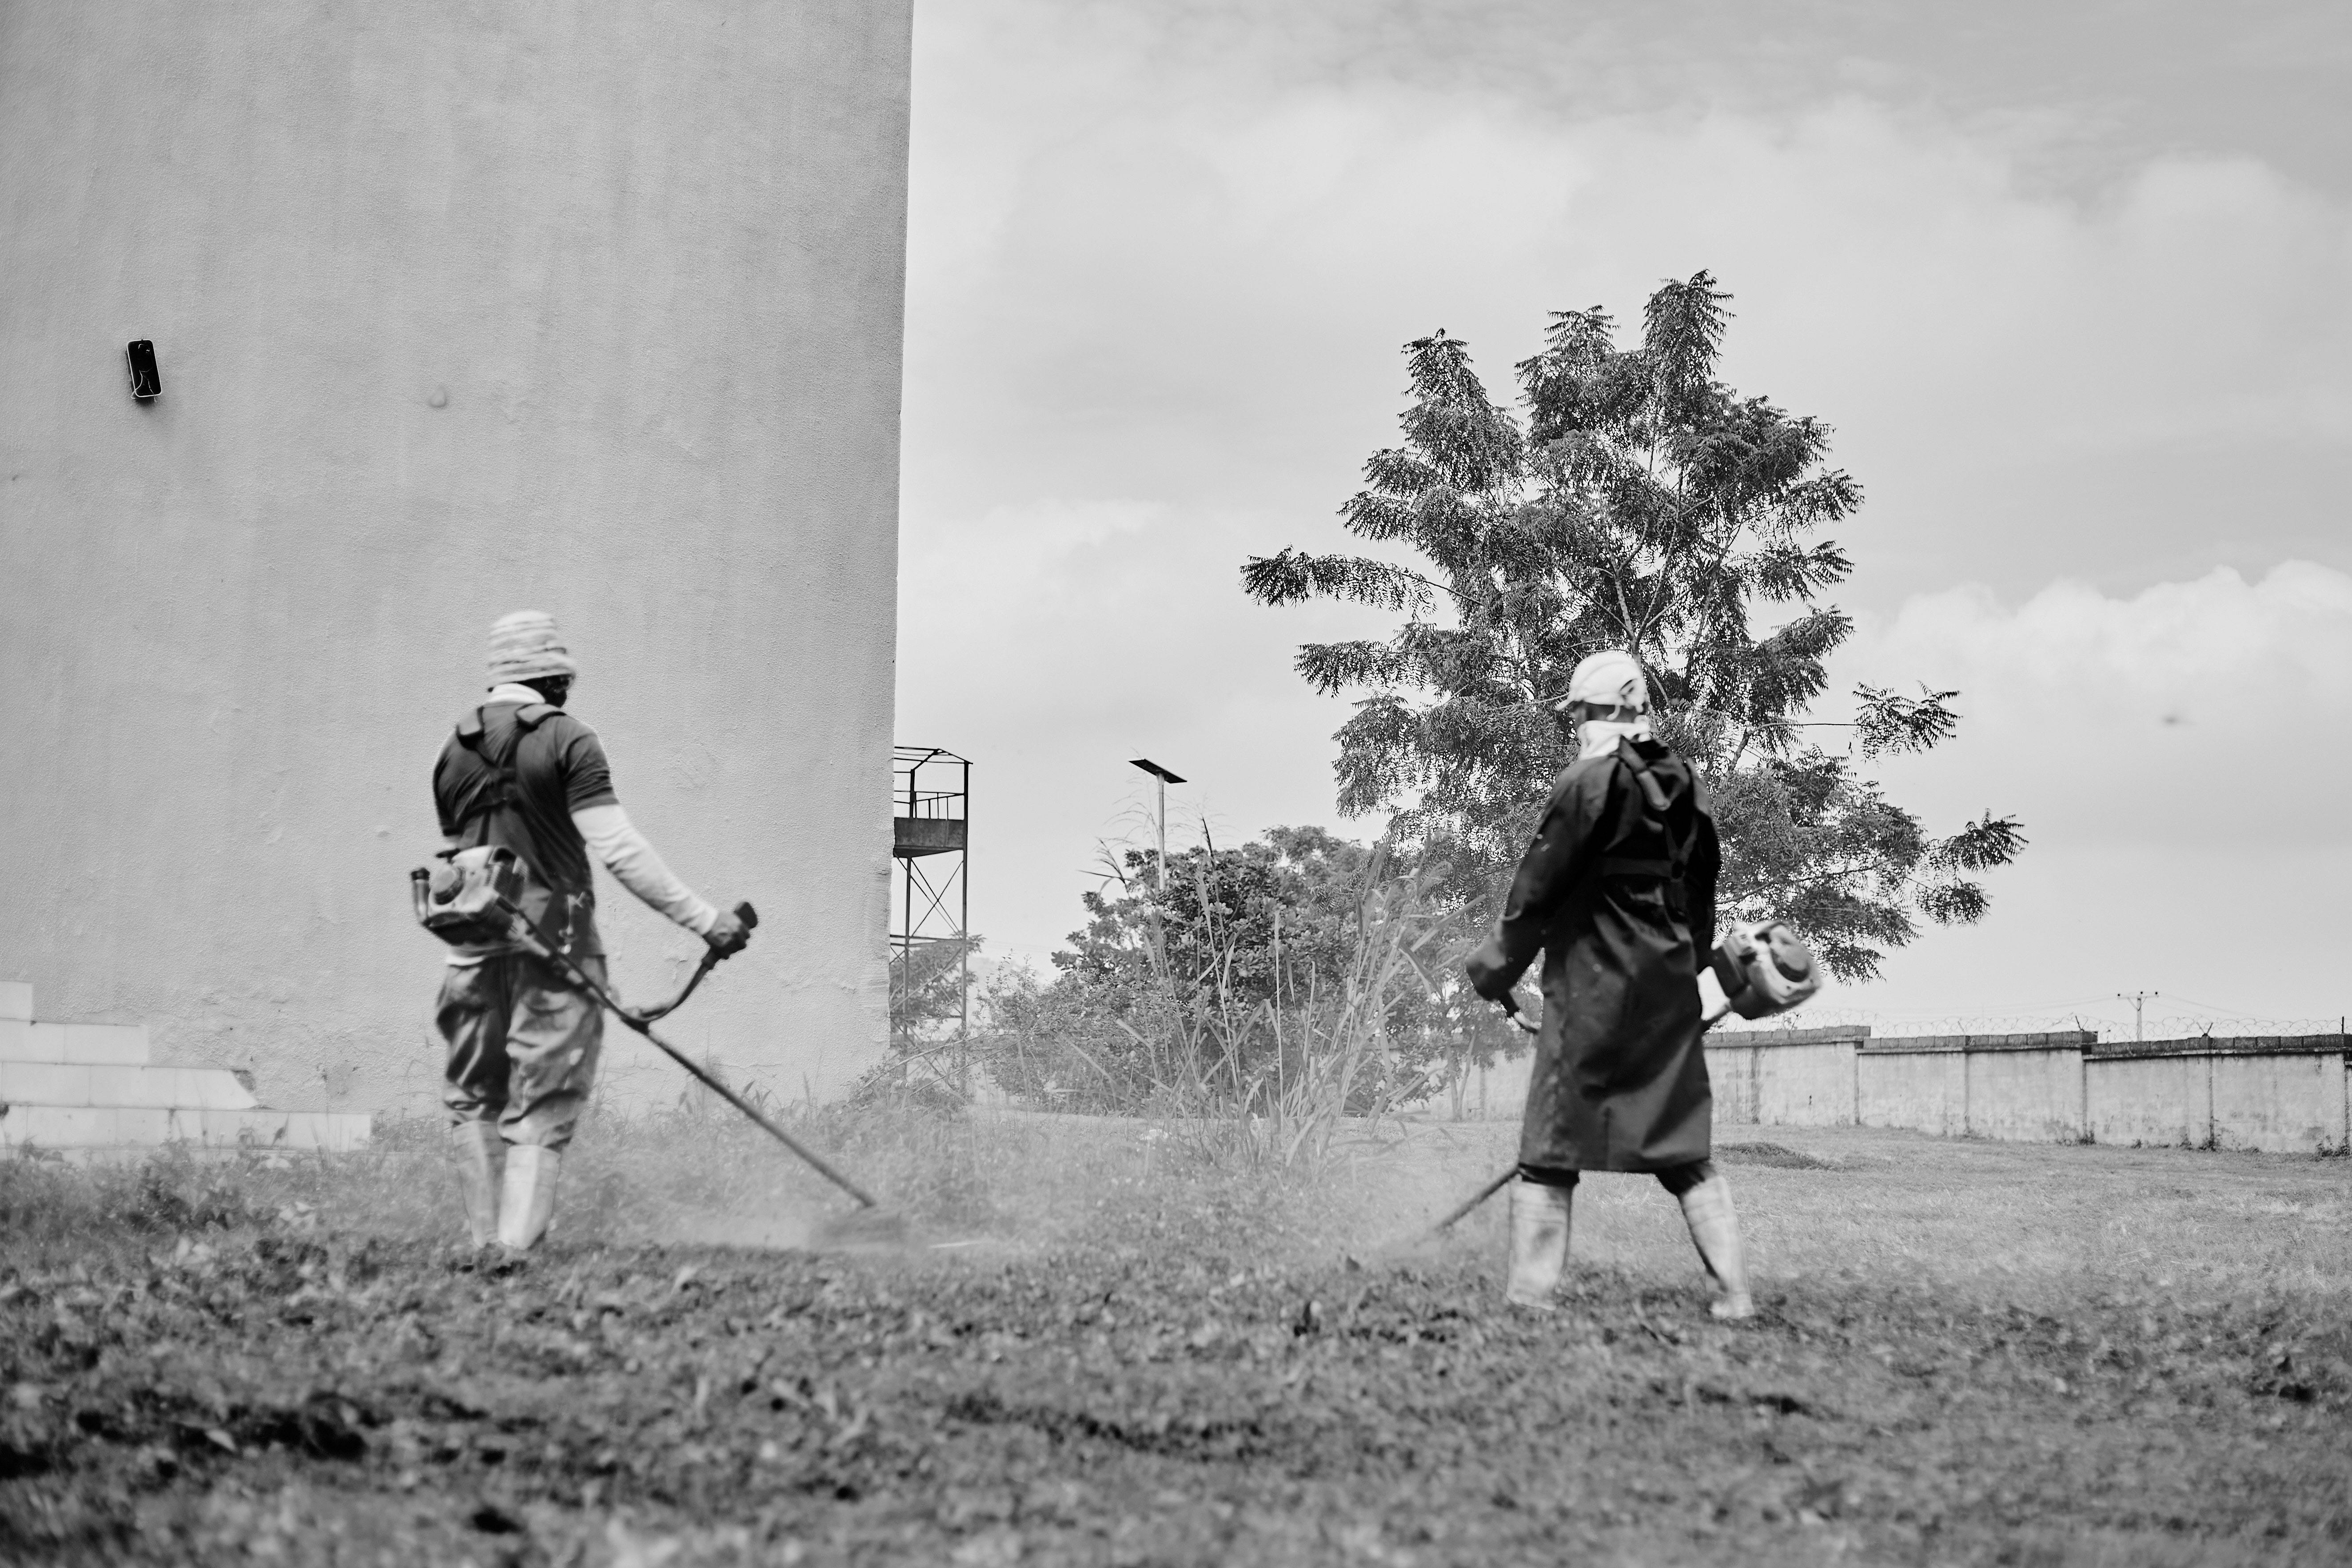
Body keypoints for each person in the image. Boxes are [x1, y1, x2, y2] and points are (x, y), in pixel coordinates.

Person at [431, 610, 749, 1253]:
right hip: (555, 950)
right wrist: (706, 920)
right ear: (555, 680)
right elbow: (619, 848)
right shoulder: (568, 739)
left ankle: (483, 1241)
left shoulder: (452, 752)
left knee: (475, 1095)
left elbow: (468, 857)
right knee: (544, 1098)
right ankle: (514, 1251)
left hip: (468, 950)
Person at [1463, 649, 1753, 1319]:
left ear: (1600, 713)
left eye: (1582, 715)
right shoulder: (1689, 784)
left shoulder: (1584, 782)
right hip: (1668, 987)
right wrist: (1694, 966)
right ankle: (1735, 1293)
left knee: (1549, 1146)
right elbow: (1702, 887)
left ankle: (1529, 1296)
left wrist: (1493, 971)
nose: (1579, 726)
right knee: (1681, 1145)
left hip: (1593, 987)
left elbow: (1534, 893)